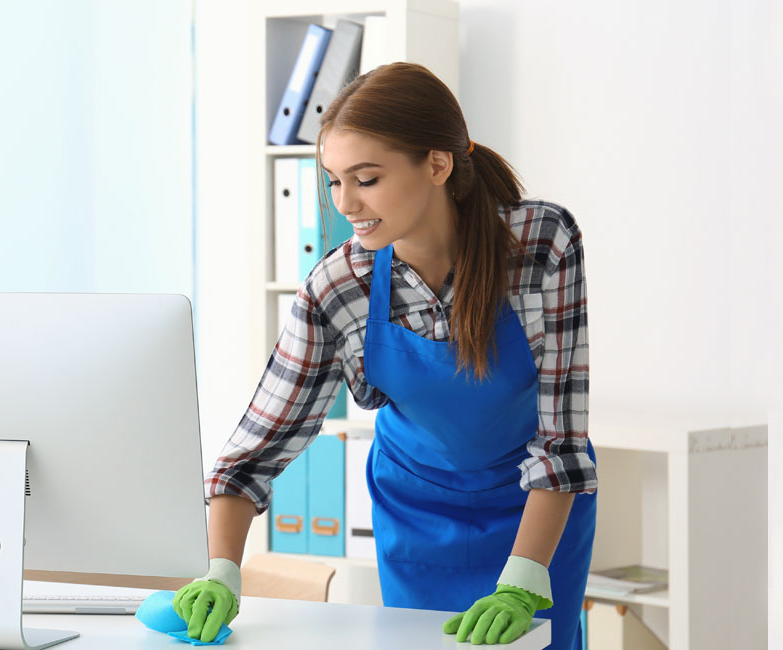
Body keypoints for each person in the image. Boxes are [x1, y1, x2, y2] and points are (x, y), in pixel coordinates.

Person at [174, 62, 597, 647]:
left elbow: (562, 441)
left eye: (366, 179)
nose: (344, 203)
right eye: (333, 180)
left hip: (536, 510)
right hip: (417, 512)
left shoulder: (541, 244)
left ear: (438, 164)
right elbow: (255, 449)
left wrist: (524, 581)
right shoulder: (337, 286)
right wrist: (222, 569)